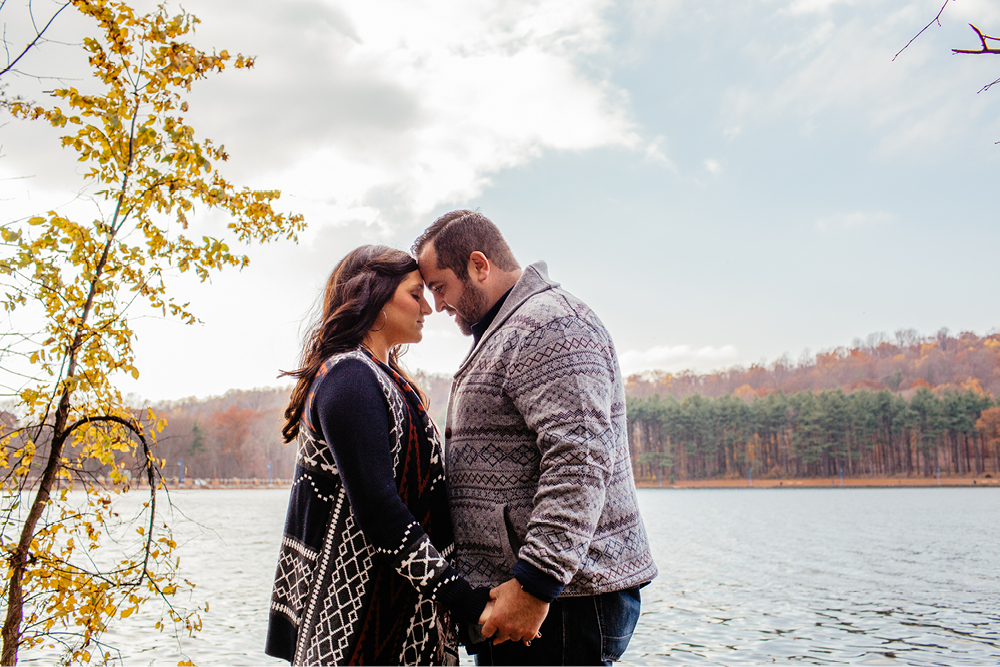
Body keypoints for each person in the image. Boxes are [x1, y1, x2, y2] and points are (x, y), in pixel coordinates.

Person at [413, 211, 658, 665]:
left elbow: (580, 459)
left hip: (562, 604)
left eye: (439, 286)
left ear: (479, 265)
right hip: (536, 602)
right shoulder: (511, 327)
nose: (437, 304)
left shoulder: (549, 325)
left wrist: (536, 583)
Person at [265, 245, 493, 666]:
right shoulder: (349, 375)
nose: (427, 306)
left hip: (402, 620)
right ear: (373, 296)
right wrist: (462, 598)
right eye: (414, 294)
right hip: (355, 628)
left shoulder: (387, 380)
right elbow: (378, 508)